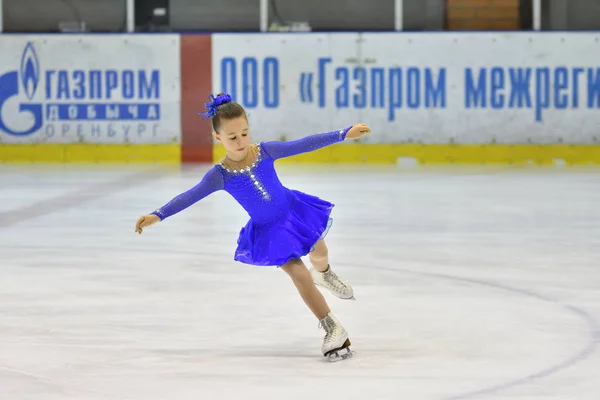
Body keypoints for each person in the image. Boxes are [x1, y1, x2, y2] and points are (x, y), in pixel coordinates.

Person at [135, 93, 372, 360]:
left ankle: (325, 274)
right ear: (218, 137)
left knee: (319, 252)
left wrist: (343, 133)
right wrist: (158, 214)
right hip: (269, 232)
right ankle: (332, 327)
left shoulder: (266, 151)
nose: (240, 141)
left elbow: (304, 144)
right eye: (232, 137)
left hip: (294, 211)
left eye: (244, 133)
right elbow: (190, 196)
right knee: (299, 275)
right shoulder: (219, 175)